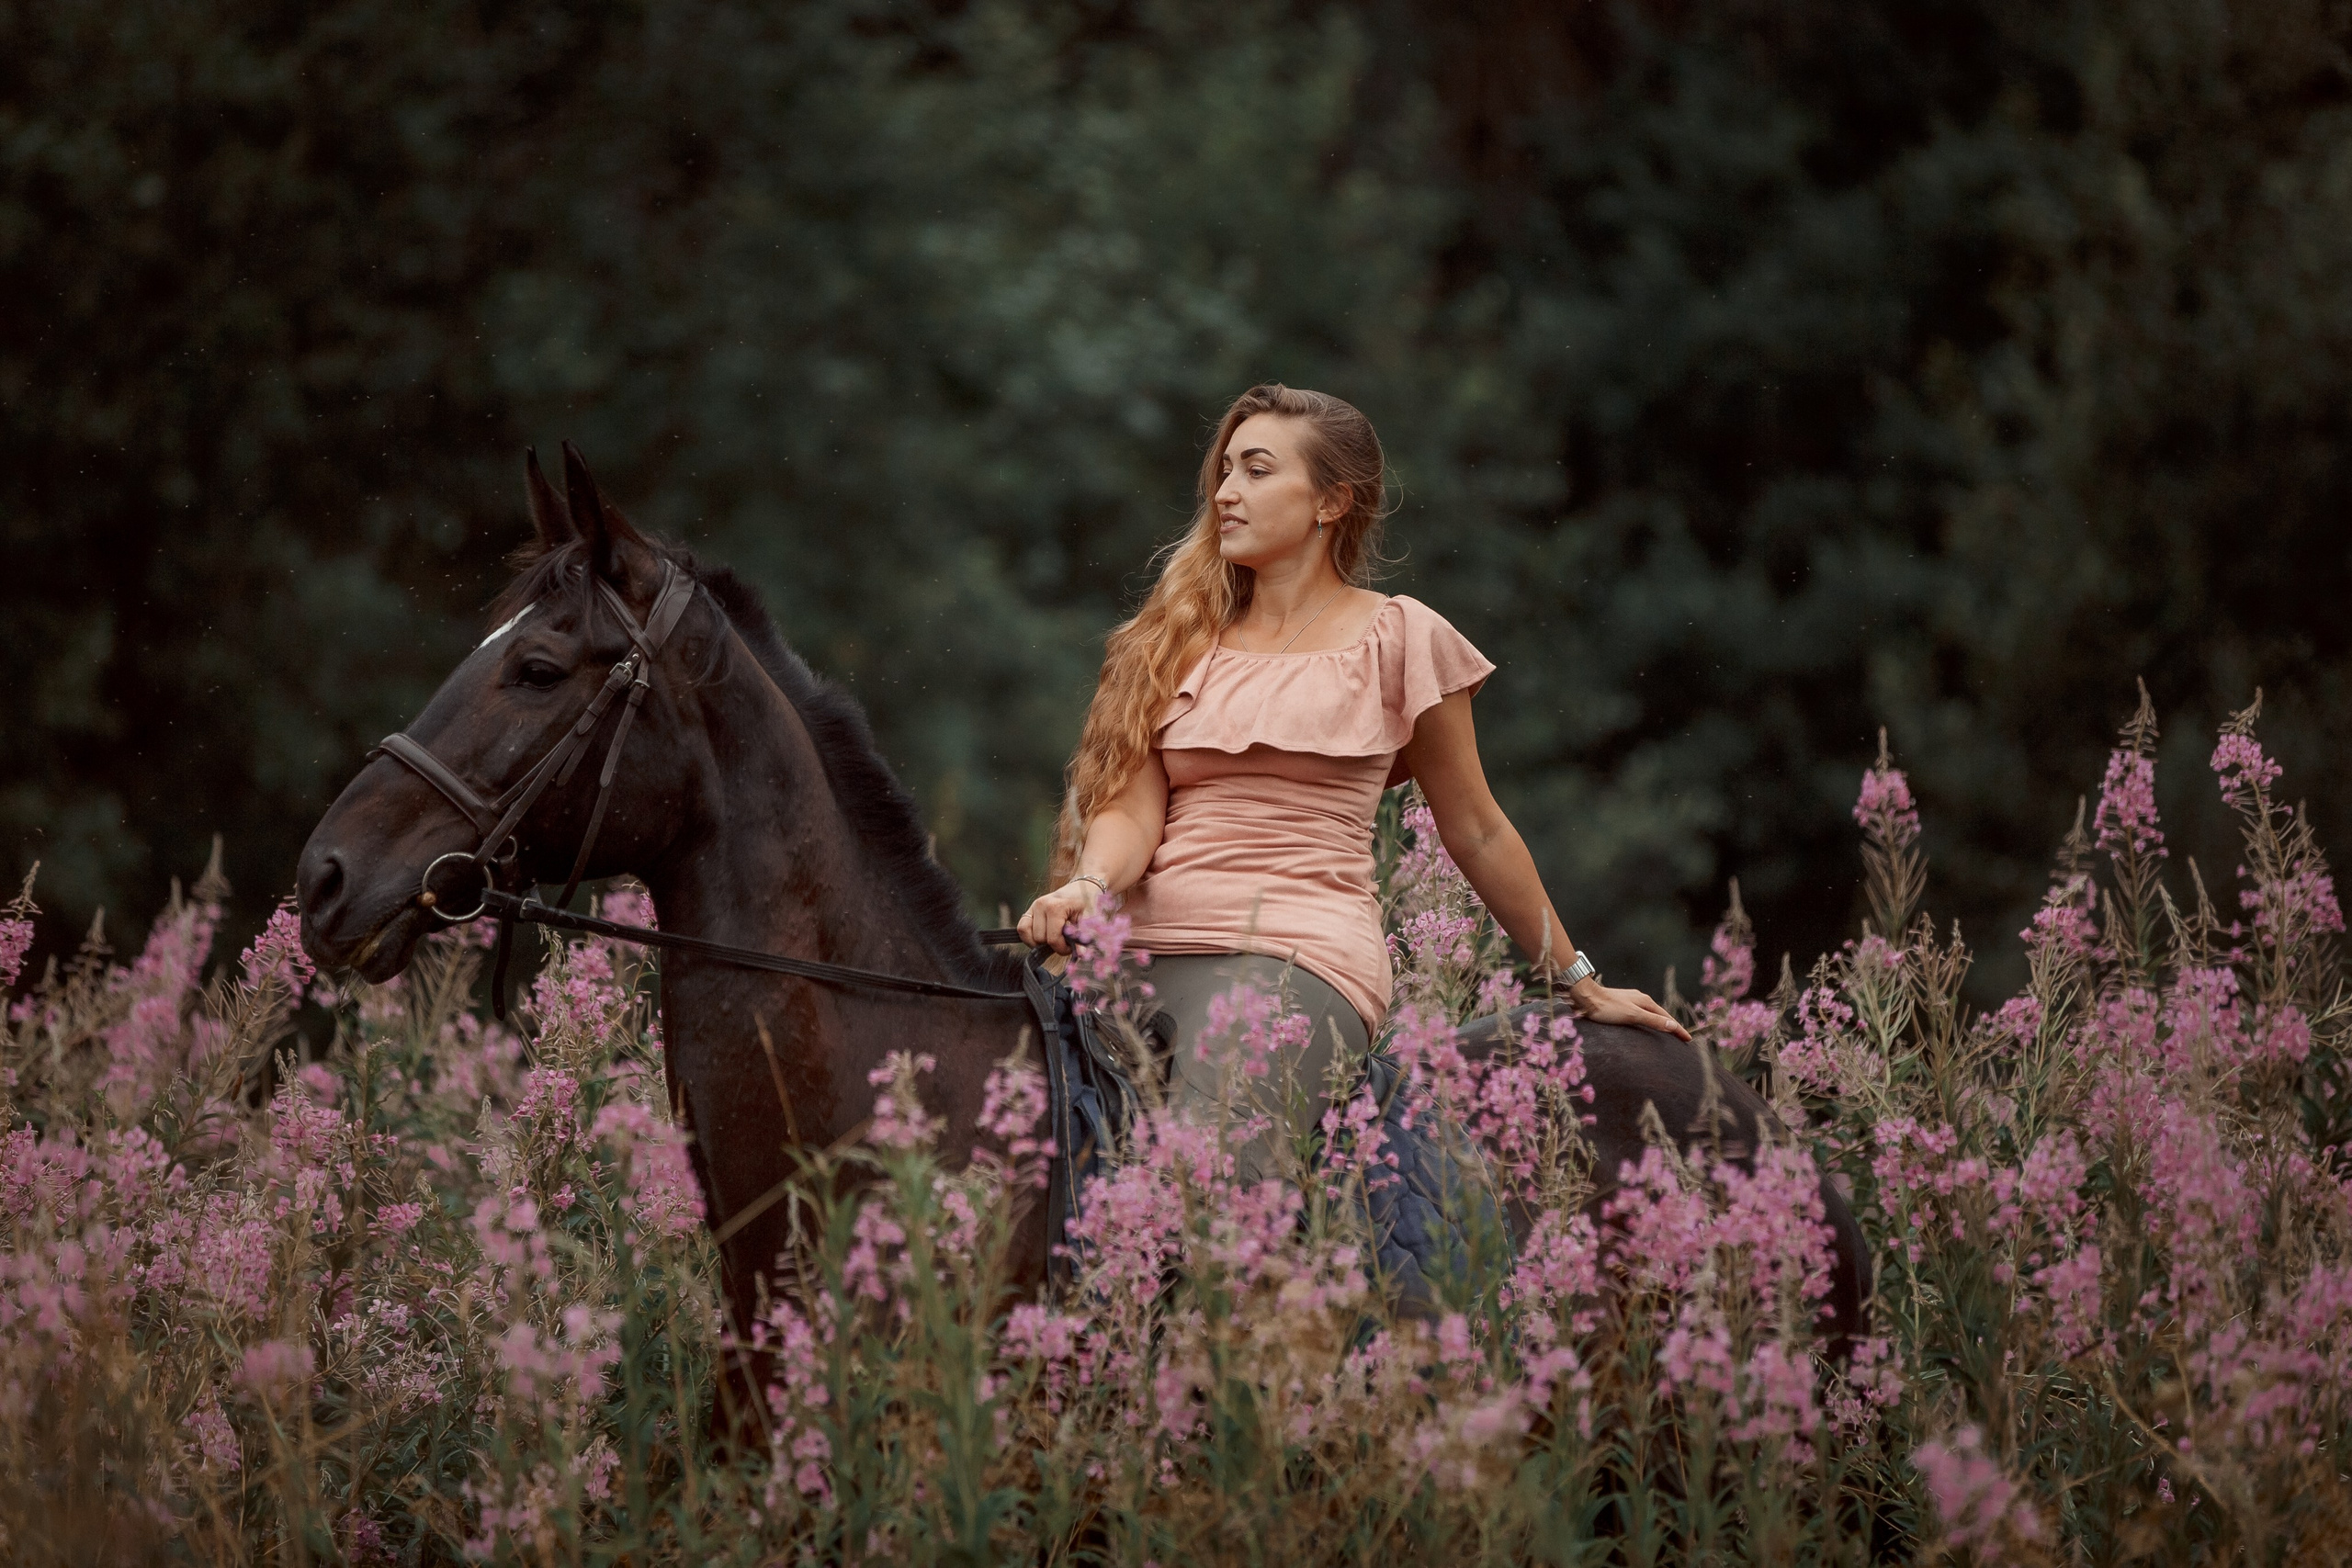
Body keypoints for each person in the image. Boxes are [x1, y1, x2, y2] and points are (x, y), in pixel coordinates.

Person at [1019, 384, 1687, 1174]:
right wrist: (1089, 887)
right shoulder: (1167, 642)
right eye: (1225, 470)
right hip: (1137, 952)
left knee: (1198, 1177)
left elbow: (1474, 827)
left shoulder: (1400, 636)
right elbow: (1131, 812)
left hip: (1298, 958)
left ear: (1332, 501)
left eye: (1257, 471)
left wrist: (1580, 980)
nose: (1226, 492)